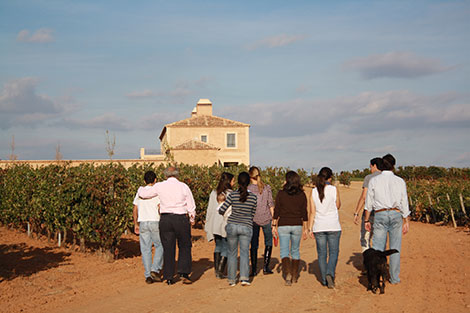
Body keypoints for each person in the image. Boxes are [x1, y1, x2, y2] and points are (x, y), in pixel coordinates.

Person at [138, 166, 196, 285]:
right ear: (177, 175)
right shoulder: (184, 186)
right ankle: (184, 273)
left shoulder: (160, 186)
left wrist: (139, 189)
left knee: (168, 248)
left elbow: (144, 194)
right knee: (184, 246)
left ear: (165, 175)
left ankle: (169, 277)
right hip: (180, 218)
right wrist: (192, 217)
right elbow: (191, 204)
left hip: (166, 219)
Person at [364, 154, 410, 285]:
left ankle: (377, 278)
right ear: (393, 166)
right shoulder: (400, 181)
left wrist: (366, 220)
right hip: (396, 214)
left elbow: (369, 203)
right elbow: (404, 202)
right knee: (395, 247)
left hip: (380, 214)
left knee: (378, 249)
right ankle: (394, 278)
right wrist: (406, 220)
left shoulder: (374, 181)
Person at [218, 172, 257, 286]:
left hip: (232, 225)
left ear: (238, 182)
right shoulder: (253, 197)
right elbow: (253, 213)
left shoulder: (232, 195)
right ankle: (244, 278)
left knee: (232, 253)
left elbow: (222, 209)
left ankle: (231, 279)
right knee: (245, 252)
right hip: (246, 226)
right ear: (248, 182)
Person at [272, 171, 308, 286]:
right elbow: (304, 213)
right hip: (297, 224)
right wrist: (306, 228)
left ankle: (287, 274)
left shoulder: (281, 194)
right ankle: (294, 275)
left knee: (284, 251)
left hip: (283, 224)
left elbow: (276, 210)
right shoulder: (302, 195)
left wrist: (273, 225)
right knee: (295, 251)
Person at [309, 167, 342, 289]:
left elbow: (312, 212)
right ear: (330, 178)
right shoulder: (334, 189)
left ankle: (324, 280)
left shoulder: (313, 192)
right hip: (333, 225)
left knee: (322, 254)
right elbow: (338, 205)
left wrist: (309, 228)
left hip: (319, 226)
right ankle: (330, 273)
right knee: (334, 252)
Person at [133, 170, 164, 284]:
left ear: (144, 181)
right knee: (160, 246)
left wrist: (135, 223)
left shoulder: (140, 192)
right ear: (155, 180)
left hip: (143, 222)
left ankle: (148, 275)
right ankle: (154, 269)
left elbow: (135, 208)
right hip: (155, 221)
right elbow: (161, 207)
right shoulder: (158, 192)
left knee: (145, 249)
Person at [204, 172, 234, 279]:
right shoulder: (231, 194)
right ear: (229, 181)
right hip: (226, 222)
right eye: (233, 180)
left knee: (218, 246)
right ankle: (220, 271)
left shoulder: (214, 193)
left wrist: (208, 224)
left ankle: (217, 270)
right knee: (226, 246)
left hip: (215, 223)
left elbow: (210, 209)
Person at [248, 166, 275, 276]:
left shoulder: (248, 189)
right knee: (268, 242)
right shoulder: (267, 187)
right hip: (266, 218)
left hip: (253, 219)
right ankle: (266, 267)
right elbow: (271, 204)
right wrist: (274, 220)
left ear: (250, 176)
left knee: (254, 244)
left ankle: (254, 269)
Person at [353, 157, 383, 252]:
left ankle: (368, 261)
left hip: (370, 213)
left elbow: (364, 197)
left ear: (374, 165)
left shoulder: (369, 178)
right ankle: (380, 261)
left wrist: (357, 212)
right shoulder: (387, 178)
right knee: (380, 239)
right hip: (383, 213)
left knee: (365, 237)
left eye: (371, 167)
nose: (371, 169)